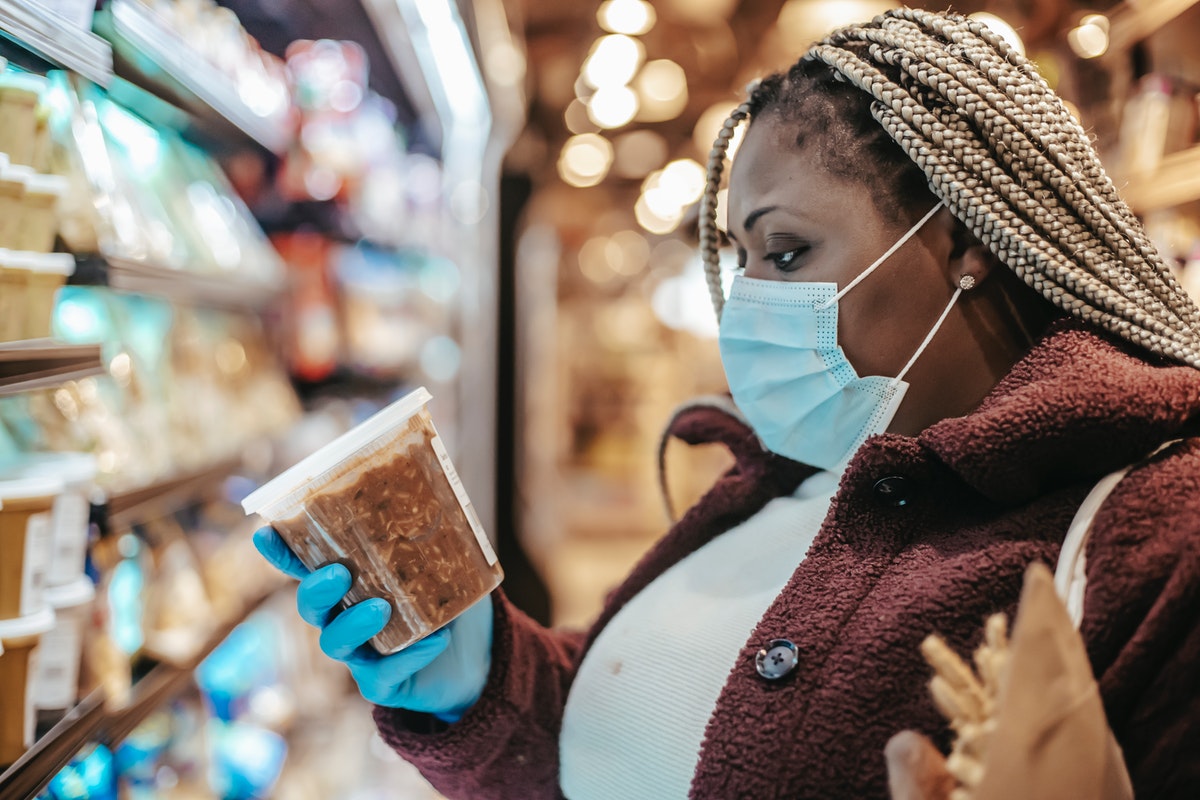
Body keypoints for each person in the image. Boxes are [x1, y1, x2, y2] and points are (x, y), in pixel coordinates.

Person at [254, 7, 1200, 799]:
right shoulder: (784, 481)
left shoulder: (1151, 532)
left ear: (962, 239)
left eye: (786, 254)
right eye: (739, 262)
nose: (750, 302)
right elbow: (615, 740)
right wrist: (486, 681)